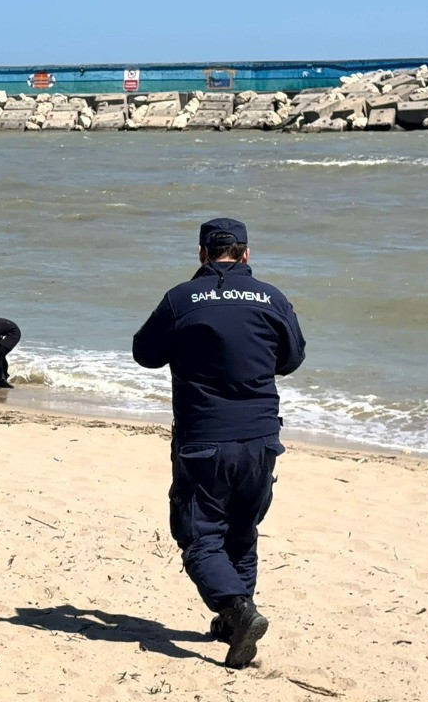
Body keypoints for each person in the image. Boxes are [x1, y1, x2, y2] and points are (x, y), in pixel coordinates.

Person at [131, 217, 305, 669]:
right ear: (246, 254)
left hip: (204, 438)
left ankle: (236, 609)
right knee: (242, 532)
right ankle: (235, 625)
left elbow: (145, 353)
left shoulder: (182, 299)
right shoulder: (272, 298)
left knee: (199, 536)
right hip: (261, 437)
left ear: (202, 254)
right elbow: (292, 359)